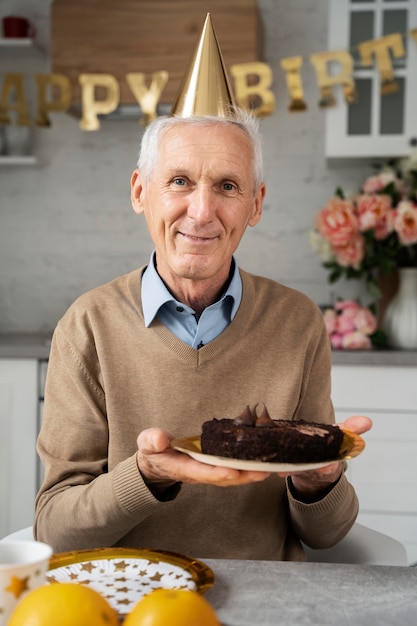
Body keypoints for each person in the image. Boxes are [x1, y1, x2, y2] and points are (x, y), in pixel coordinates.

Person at [34, 16, 372, 560]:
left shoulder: (298, 321)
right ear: (141, 191)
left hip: (269, 603)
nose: (202, 211)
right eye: (179, 181)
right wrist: (145, 476)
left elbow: (326, 534)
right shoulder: (88, 325)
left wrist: (321, 478)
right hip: (132, 600)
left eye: (228, 186)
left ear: (256, 204)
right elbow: (55, 528)